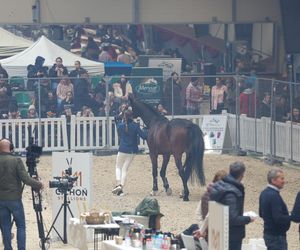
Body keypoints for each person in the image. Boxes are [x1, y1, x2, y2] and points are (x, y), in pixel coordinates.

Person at [0, 138, 43, 250]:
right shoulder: (16, 161)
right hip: (14, 199)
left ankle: (8, 248)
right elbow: (26, 179)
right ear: (11, 147)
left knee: (5, 227)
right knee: (21, 226)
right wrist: (38, 184)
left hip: (1, 200)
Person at [210, 161, 255, 250]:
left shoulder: (218, 186)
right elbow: (233, 218)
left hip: (216, 231)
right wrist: (248, 219)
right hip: (231, 236)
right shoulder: (232, 193)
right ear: (242, 174)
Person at [112, 109, 147, 196]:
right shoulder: (135, 126)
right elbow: (144, 136)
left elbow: (116, 119)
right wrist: (146, 130)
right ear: (132, 116)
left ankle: (118, 184)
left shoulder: (120, 126)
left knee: (118, 167)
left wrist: (120, 114)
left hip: (122, 149)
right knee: (125, 169)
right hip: (131, 151)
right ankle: (121, 186)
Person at [259, 168, 290, 250]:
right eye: (281, 178)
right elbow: (278, 218)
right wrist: (290, 217)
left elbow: (261, 213)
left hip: (268, 233)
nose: (284, 181)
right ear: (273, 180)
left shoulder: (264, 193)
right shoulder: (274, 196)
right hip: (277, 236)